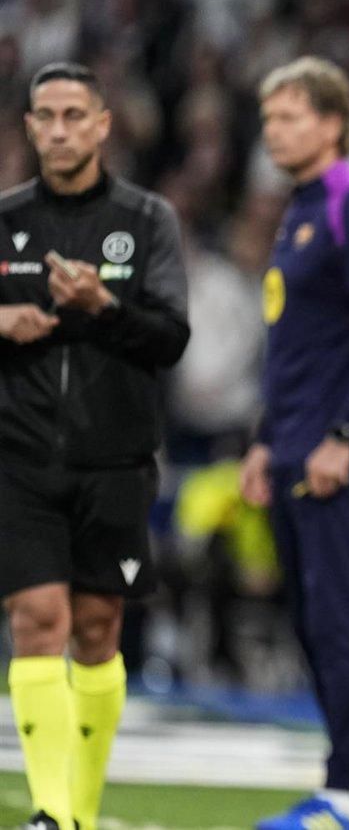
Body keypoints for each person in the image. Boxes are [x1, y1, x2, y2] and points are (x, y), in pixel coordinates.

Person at [0, 61, 190, 830]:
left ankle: (77, 811)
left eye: (75, 115)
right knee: (37, 617)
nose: (58, 129)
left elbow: (173, 339)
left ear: (103, 125)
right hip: (18, 457)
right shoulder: (5, 216)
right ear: (28, 127)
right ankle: (52, 810)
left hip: (115, 460)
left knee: (98, 627)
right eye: (45, 115)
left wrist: (104, 305)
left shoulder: (148, 221)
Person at [239, 57, 349, 830]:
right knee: (310, 620)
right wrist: (265, 443)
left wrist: (342, 436)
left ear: (333, 123)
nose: (275, 130)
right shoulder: (299, 207)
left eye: (291, 117)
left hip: (334, 451)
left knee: (335, 617)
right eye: (270, 119)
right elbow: (296, 350)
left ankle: (346, 792)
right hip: (293, 446)